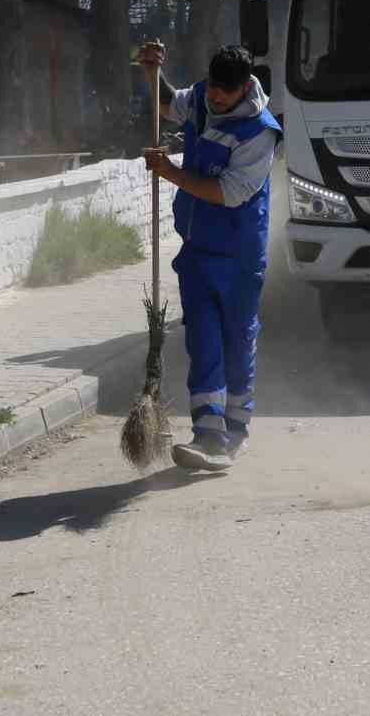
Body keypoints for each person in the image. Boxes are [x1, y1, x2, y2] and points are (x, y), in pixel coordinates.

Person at [137, 42, 282, 471]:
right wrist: (152, 70)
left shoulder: (260, 130)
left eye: (225, 92)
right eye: (213, 88)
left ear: (245, 87)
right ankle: (207, 435)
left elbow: (228, 193)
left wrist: (171, 174)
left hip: (239, 253)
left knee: (237, 339)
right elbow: (166, 105)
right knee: (202, 338)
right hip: (198, 247)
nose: (216, 98)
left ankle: (235, 428)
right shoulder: (202, 95)